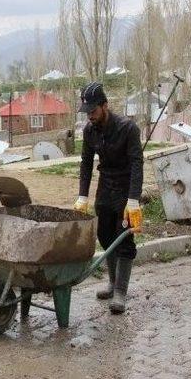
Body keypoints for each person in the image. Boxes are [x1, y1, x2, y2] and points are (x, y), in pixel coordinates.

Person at [74, 82, 143, 314]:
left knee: (123, 239)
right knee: (104, 236)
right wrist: (82, 196)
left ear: (105, 106)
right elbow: (85, 163)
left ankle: (121, 292)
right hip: (105, 188)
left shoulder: (128, 128)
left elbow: (137, 164)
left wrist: (133, 200)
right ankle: (112, 283)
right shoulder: (89, 131)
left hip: (125, 189)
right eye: (87, 112)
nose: (90, 116)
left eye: (93, 111)